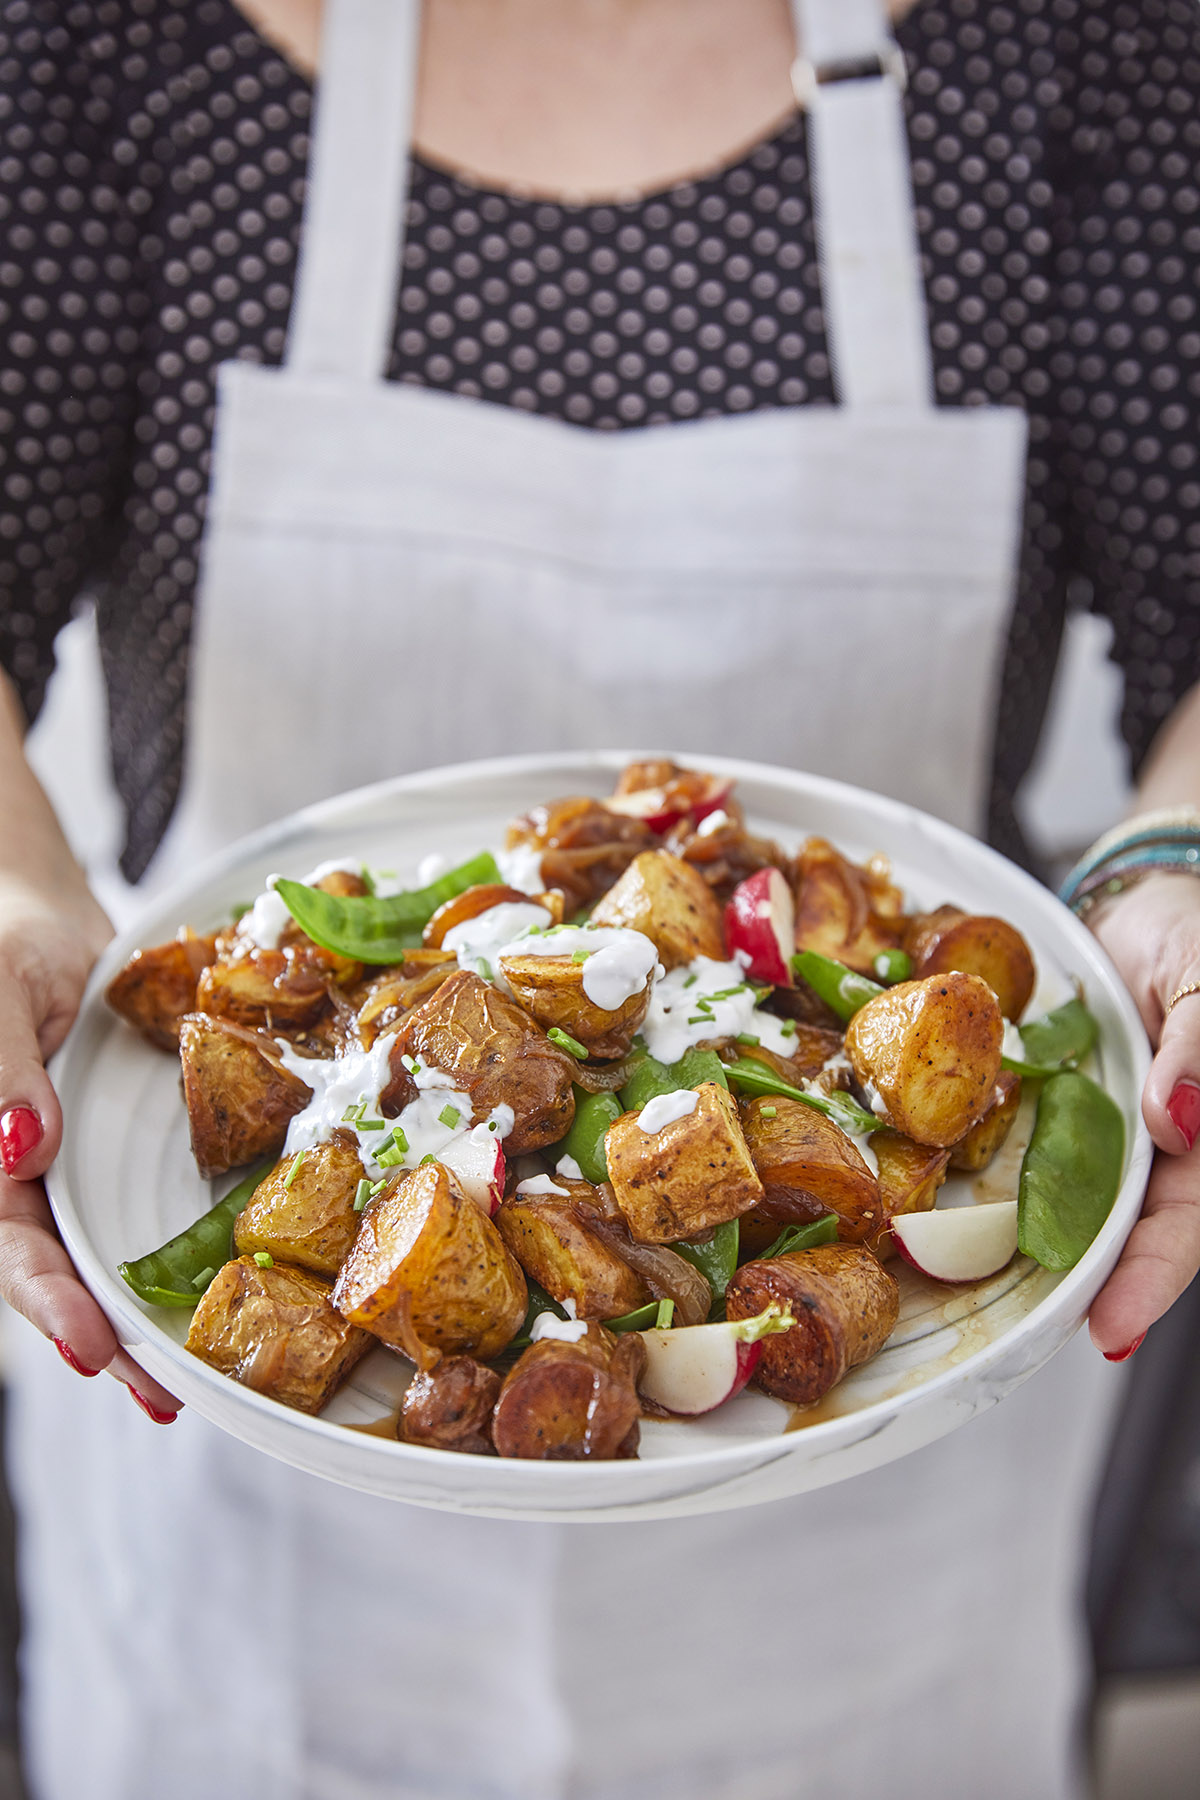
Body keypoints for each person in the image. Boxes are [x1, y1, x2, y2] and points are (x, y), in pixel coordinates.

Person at [2, 1, 1200, 1796]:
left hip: (886, 1536)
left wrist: (1176, 866)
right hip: (246, 1550)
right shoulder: (104, 47)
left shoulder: (1080, 48)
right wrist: (17, 896)